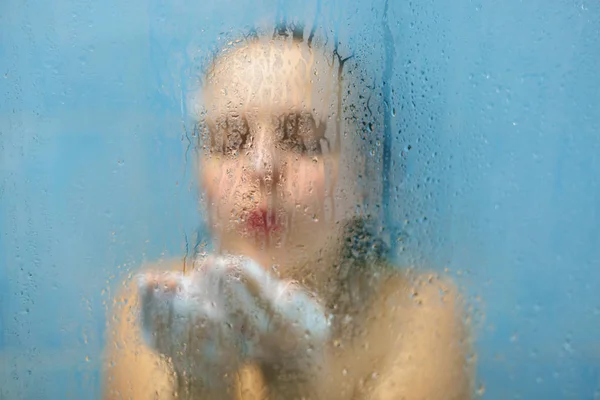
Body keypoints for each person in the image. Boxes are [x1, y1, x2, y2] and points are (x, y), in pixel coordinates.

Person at [102, 25, 473, 400]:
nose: (262, 166)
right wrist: (201, 383)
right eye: (231, 142)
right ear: (198, 175)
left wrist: (297, 376)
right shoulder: (156, 303)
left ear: (365, 178)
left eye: (304, 142)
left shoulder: (418, 309)